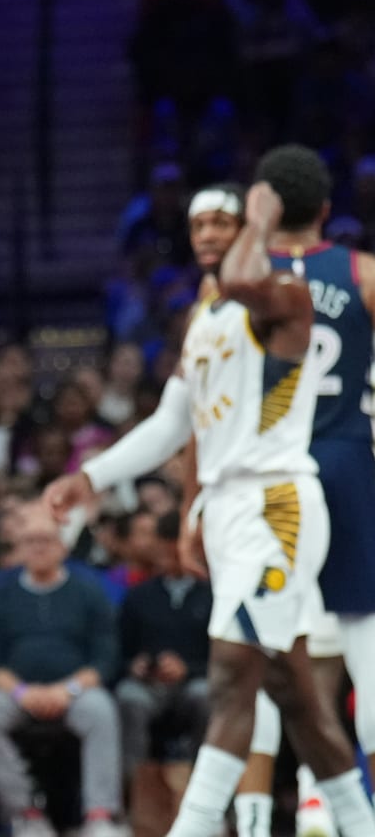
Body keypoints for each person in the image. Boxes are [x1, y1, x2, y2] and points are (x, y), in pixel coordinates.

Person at [45, 177, 375, 837]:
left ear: (261, 227)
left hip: (274, 506)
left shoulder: (285, 295)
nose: (211, 237)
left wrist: (261, 222)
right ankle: (357, 823)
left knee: (230, 680)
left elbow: (252, 277)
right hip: (230, 511)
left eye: (226, 223)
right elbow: (174, 423)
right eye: (200, 227)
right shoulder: (207, 316)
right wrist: (94, 476)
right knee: (297, 700)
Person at [234, 145, 375, 837]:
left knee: (260, 647)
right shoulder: (362, 273)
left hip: (267, 467)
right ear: (325, 209)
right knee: (367, 642)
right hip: (348, 459)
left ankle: (257, 821)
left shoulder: (240, 278)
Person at [0, 503, 124, 837]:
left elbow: (105, 657)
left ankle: (100, 815)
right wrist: (23, 692)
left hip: (76, 692)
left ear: (62, 546)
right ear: (19, 547)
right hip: (17, 693)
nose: (38, 547)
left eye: (46, 540)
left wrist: (68, 690)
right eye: (30, 541)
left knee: (102, 711)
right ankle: (26, 813)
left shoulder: (88, 592)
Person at [114, 510, 211, 836]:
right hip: (148, 687)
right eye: (162, 549)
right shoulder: (139, 596)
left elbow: (227, 658)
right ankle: (131, 804)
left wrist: (189, 668)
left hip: (196, 682)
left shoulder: (213, 593)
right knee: (129, 698)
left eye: (174, 548)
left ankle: (208, 802)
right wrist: (136, 665)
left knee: (206, 695)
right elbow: (120, 652)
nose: (168, 557)